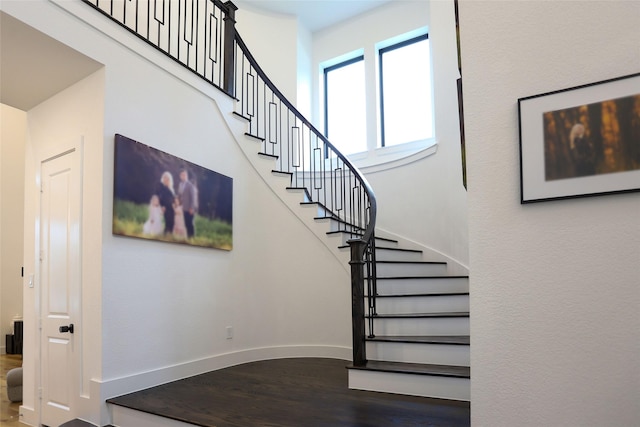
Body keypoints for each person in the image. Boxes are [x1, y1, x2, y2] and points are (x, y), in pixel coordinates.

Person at [177, 168, 198, 238]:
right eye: (182, 175)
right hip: (183, 208)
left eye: (184, 175)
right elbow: (180, 195)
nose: (183, 176)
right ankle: (188, 237)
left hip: (190, 208)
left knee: (190, 223)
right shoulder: (180, 185)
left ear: (187, 175)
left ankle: (192, 238)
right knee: (186, 223)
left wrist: (192, 208)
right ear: (180, 176)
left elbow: (193, 197)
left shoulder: (190, 185)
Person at [156, 171, 176, 235]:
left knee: (172, 223)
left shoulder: (171, 189)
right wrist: (162, 206)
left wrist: (175, 205)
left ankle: (169, 237)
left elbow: (174, 198)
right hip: (166, 208)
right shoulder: (161, 188)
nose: (166, 180)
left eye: (167, 178)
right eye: (165, 178)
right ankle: (164, 236)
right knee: (168, 223)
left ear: (169, 179)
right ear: (163, 179)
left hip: (172, 208)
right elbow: (160, 199)